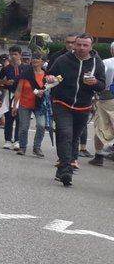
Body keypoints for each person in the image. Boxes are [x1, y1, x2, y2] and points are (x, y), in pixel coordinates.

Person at [44, 33, 106, 185]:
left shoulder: (97, 63)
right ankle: (66, 169)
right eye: (79, 45)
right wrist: (50, 78)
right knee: (65, 133)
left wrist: (95, 82)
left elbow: (102, 85)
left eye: (85, 45)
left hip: (83, 105)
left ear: (91, 47)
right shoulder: (64, 59)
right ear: (74, 45)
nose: (81, 48)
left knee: (73, 138)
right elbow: (49, 75)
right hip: (62, 103)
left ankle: (63, 168)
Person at [13, 54, 48, 156]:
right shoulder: (25, 75)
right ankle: (22, 147)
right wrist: (15, 105)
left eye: (38, 58)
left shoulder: (47, 75)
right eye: (34, 58)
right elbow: (18, 91)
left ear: (42, 62)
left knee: (41, 125)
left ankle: (37, 147)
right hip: (25, 103)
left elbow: (50, 90)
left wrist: (44, 92)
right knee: (24, 127)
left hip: (40, 105)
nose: (35, 60)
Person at [0, 46, 28, 148]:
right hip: (10, 94)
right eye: (11, 54)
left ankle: (17, 140)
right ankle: (8, 140)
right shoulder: (6, 69)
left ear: (20, 55)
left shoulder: (26, 68)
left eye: (15, 54)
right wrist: (6, 82)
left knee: (20, 118)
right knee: (9, 117)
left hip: (22, 96)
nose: (13, 56)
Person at [87, 52, 114, 167]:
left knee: (101, 126)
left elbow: (98, 79)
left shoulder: (107, 62)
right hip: (107, 96)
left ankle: (98, 156)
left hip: (106, 97)